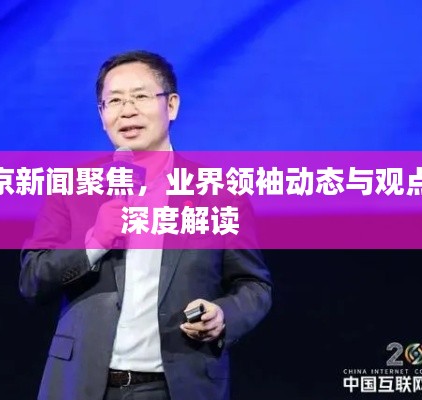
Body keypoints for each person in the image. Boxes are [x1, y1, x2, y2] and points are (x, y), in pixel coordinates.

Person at [19, 50, 272, 400]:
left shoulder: (219, 195)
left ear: (171, 105)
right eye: (114, 101)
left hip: (177, 386)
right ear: (102, 115)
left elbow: (253, 285)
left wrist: (222, 315)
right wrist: (95, 242)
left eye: (140, 96)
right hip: (82, 385)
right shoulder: (72, 187)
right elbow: (33, 280)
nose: (127, 111)